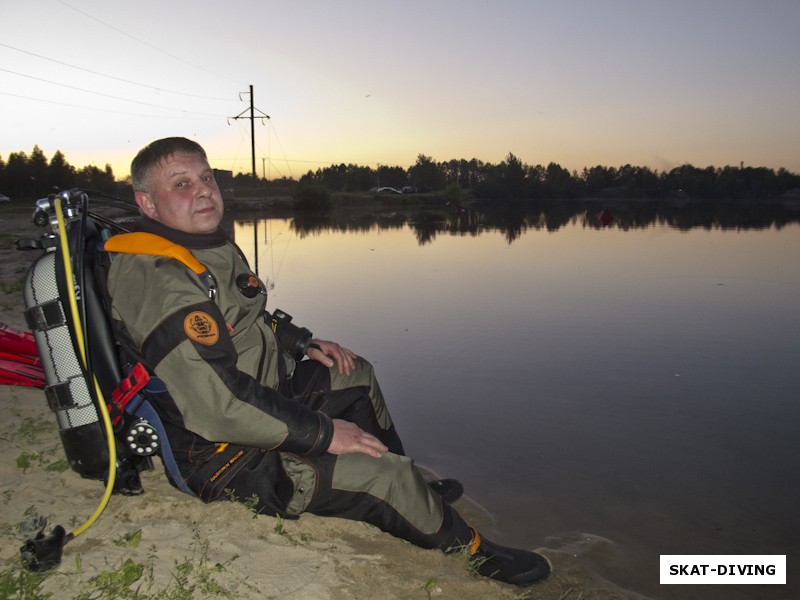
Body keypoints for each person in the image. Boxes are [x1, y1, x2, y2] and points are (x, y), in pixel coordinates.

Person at [106, 136, 551, 587]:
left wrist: (303, 342)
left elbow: (243, 318)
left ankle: (411, 485)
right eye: (181, 184)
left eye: (206, 177)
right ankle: (472, 550)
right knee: (382, 476)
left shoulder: (202, 243)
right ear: (147, 203)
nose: (203, 191)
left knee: (352, 371)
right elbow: (216, 404)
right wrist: (322, 433)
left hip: (260, 395)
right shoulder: (158, 278)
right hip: (223, 454)